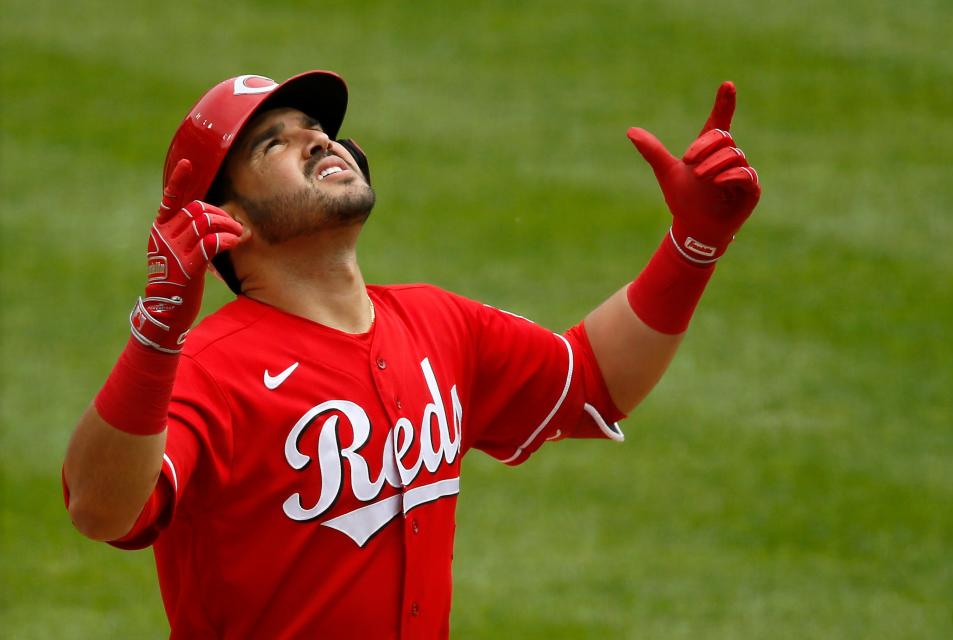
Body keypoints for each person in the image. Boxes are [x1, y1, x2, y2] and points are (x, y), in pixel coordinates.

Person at [62, 70, 760, 638]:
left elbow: (596, 380)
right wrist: (157, 333)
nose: (317, 142)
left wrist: (694, 244)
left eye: (320, 130)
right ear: (229, 221)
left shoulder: (436, 322)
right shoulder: (209, 367)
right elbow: (100, 509)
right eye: (274, 144)